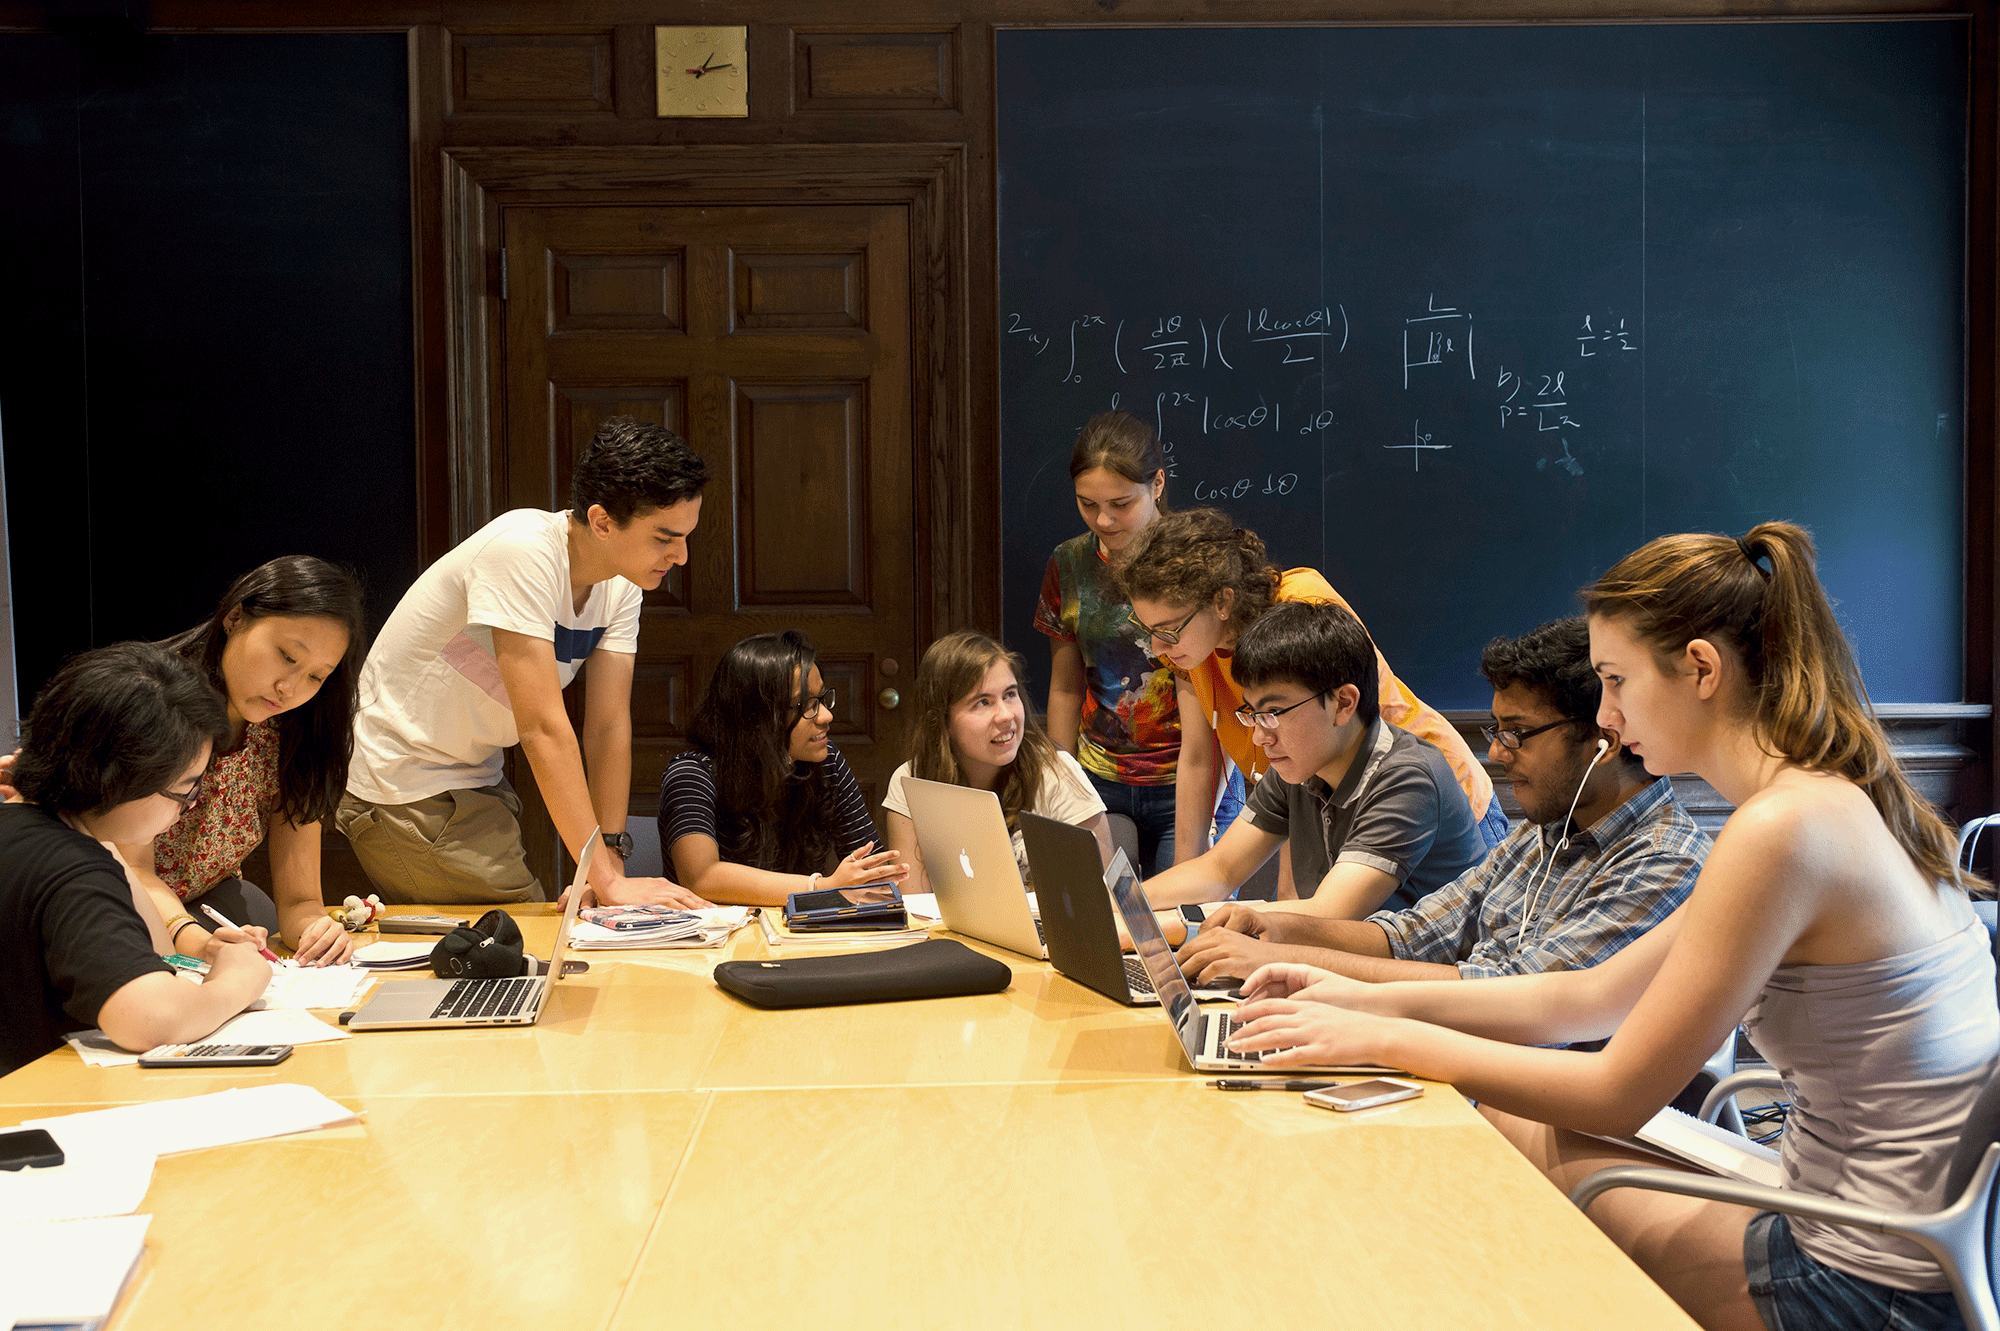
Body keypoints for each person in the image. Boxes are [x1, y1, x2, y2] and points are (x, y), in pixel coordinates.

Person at [1225, 523, 1998, 1331]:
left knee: (1495, 1154)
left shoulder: (1785, 830)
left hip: (1866, 1288)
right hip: (1897, 1249)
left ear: (1701, 668)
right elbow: (1584, 999)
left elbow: (1614, 1094)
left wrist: (1376, 1038)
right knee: (1504, 1124)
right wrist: (1354, 1000)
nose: (1605, 714)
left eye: (1616, 680)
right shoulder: (1824, 803)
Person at [1176, 617, 1708, 987]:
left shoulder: (1665, 860)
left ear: (1604, 743)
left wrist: (1291, 959)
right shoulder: (1541, 834)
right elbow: (1420, 933)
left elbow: (1512, 997)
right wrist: (1279, 929)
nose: (1496, 753)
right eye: (1496, 729)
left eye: (1517, 734)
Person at [340, 416, 711, 908]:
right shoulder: (522, 550)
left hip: (474, 780)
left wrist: (610, 864)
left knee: (566, 939)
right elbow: (541, 727)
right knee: (521, 952)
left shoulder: (623, 583)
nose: (681, 556)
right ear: (601, 522)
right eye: (665, 538)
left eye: (686, 536)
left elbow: (606, 725)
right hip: (404, 784)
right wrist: (607, 880)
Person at [1115, 507, 1506, 877]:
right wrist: (1183, 896)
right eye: (1149, 631)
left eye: (1167, 630)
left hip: (1424, 801)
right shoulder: (1191, 644)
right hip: (1330, 802)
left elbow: (1330, 743)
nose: (1159, 649)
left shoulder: (1301, 608)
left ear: (1222, 601)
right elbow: (1201, 759)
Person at [1138, 601, 1487, 937]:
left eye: (1273, 713)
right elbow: (1219, 869)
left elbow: (1331, 913)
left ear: (1344, 703)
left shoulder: (1407, 778)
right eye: (1254, 714)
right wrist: (1125, 905)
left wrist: (1149, 929)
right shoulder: (1300, 766)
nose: (1259, 737)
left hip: (1427, 984)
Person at [3, 643, 271, 1075]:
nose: (187, 807)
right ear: (123, 778)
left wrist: (201, 952)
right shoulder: (73, 868)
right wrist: (236, 983)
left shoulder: (39, 832)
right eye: (185, 790)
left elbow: (160, 953)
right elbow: (150, 1019)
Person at [115, 557, 367, 967]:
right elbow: (134, 872)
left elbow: (301, 900)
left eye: (316, 677)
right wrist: (197, 943)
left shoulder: (294, 732)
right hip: (113, 898)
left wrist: (318, 933)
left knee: (258, 916)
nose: (290, 688)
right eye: (287, 656)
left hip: (206, 901)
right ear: (235, 617)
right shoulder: (155, 702)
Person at [1035, 411, 1186, 875]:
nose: (1104, 519)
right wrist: (1063, 781)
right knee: (1102, 915)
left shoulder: (1194, 560)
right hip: (1099, 775)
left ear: (1157, 484)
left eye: (1121, 504)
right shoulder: (1070, 562)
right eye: (1087, 504)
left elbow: (1210, 687)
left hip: (1186, 779)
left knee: (1182, 921)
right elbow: (1065, 686)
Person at [659, 631, 906, 906]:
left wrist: (875, 881)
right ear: (758, 716)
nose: (826, 716)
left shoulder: (827, 761)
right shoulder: (693, 774)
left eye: (822, 699)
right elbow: (702, 877)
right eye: (807, 706)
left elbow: (872, 871)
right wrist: (821, 887)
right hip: (714, 941)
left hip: (796, 937)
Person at [882, 630, 1112, 893]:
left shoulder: (1056, 772)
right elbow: (915, 903)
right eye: (982, 703)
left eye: (1010, 695)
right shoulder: (911, 780)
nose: (1005, 715)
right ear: (942, 722)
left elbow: (1101, 900)